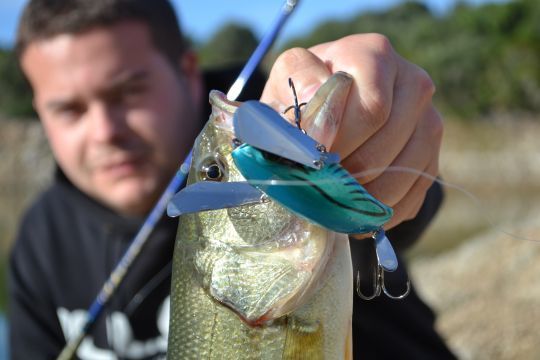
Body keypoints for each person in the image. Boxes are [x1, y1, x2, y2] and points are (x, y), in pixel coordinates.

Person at [8, 0, 455, 359]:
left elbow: (408, 206)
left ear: (187, 71)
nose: (105, 131)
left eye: (129, 91)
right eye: (69, 109)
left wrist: (381, 133)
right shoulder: (38, 245)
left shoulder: (274, 120)